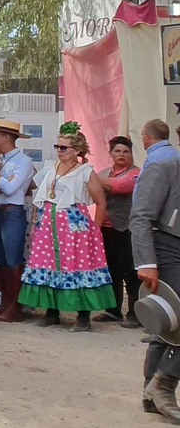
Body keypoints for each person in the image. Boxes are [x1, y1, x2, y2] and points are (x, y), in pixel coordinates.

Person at [20, 123, 115, 332]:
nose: (59, 151)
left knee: (76, 266)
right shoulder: (50, 168)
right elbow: (40, 198)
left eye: (64, 148)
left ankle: (83, 317)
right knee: (49, 266)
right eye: (57, 147)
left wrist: (95, 230)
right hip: (48, 224)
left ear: (76, 151)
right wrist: (35, 223)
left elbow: (101, 202)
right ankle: (52, 311)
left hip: (73, 226)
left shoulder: (85, 172)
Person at [131, 152, 180, 418]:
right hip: (166, 247)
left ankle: (150, 390)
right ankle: (164, 384)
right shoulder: (164, 169)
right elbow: (140, 217)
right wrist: (146, 261)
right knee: (171, 314)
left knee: (170, 321)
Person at [0, 118, 34, 322]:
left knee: (13, 260)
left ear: (6, 137)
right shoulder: (3, 159)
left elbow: (10, 188)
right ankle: (6, 302)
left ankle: (15, 306)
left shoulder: (23, 161)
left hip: (12, 212)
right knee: (3, 260)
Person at [94, 136, 142, 327]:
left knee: (131, 272)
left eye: (126, 151)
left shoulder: (136, 173)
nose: (121, 155)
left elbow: (120, 186)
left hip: (127, 228)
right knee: (110, 271)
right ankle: (113, 310)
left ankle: (135, 314)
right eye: (117, 151)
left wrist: (86, 172)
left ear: (131, 154)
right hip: (106, 227)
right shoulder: (104, 172)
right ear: (111, 154)